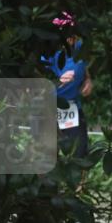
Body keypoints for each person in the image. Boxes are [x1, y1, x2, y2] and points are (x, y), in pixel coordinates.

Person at [44, 11, 93, 162]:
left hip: (72, 109)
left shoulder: (80, 48)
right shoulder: (46, 52)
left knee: (80, 154)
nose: (70, 38)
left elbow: (83, 68)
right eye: (65, 34)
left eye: (72, 34)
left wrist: (88, 81)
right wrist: (57, 81)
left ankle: (80, 186)